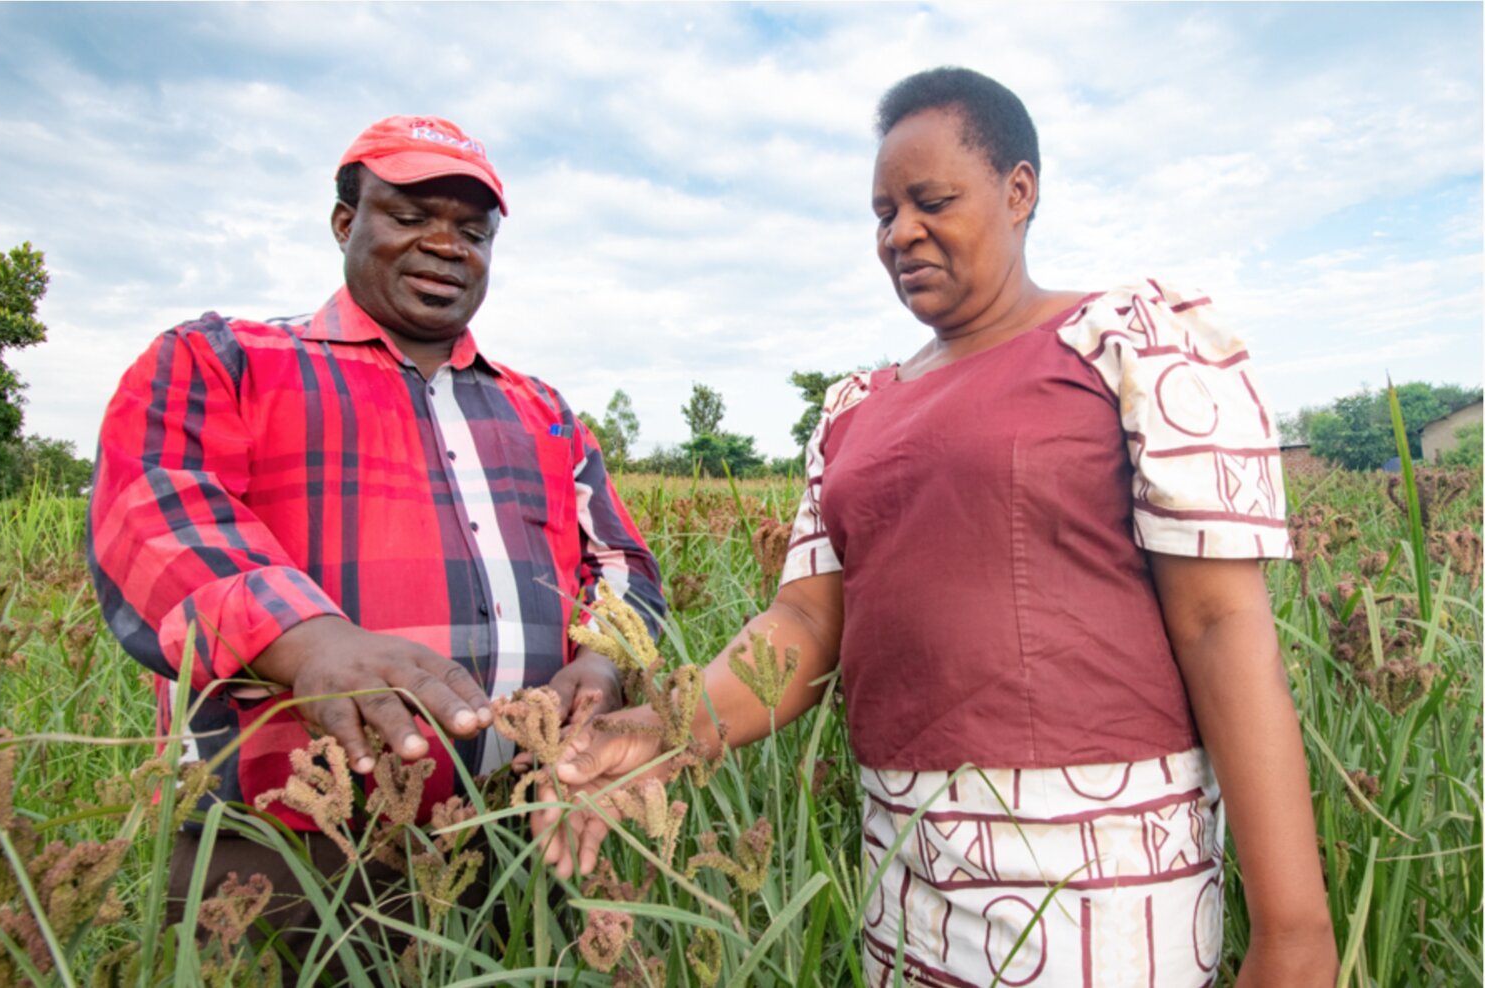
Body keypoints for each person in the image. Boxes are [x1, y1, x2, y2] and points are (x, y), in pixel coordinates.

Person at [534, 69, 1338, 986]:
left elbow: (1221, 623)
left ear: (1019, 191)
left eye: (932, 200)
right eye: (883, 213)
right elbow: (800, 628)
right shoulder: (855, 411)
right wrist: (664, 732)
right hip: (904, 868)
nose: (900, 232)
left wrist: (1294, 932)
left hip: (1099, 878)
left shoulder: (1124, 344)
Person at [88, 115, 664, 960]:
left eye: (472, 231)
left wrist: (604, 658)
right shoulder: (225, 360)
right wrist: (308, 641)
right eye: (408, 216)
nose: (445, 246)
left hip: (515, 835)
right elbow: (156, 517)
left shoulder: (542, 413)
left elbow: (618, 561)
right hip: (285, 849)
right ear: (344, 222)